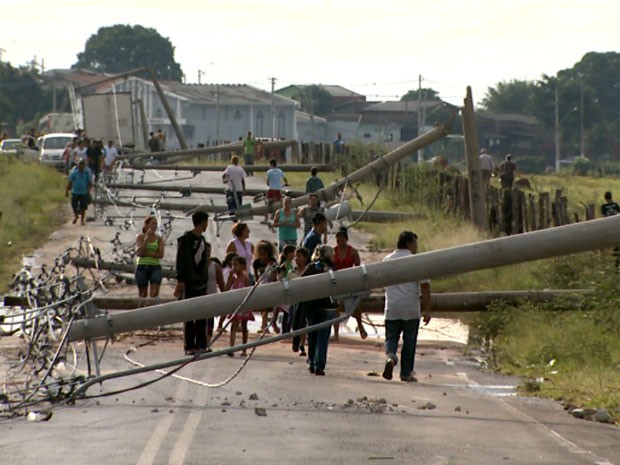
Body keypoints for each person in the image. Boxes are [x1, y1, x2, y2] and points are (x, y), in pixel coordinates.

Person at [382, 231, 431, 383]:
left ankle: (390, 356)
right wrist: (427, 309)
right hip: (410, 307)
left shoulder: (387, 260)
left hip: (392, 306)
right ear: (409, 244)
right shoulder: (417, 261)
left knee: (391, 337)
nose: (417, 247)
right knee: (409, 342)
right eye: (415, 244)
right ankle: (406, 373)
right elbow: (425, 287)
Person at [174, 211, 210, 356]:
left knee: (202, 314)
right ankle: (189, 345)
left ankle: (201, 344)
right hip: (189, 282)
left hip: (201, 282)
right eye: (206, 222)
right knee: (188, 315)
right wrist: (180, 280)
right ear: (201, 222)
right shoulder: (186, 239)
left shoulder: (202, 240)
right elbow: (181, 261)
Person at [302, 245, 338, 376]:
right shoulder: (333, 269)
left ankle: (311, 362)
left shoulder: (311, 268)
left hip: (312, 306)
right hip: (328, 307)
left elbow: (301, 283)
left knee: (312, 335)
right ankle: (319, 365)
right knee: (323, 337)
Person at [332, 227, 366, 341]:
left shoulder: (352, 252)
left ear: (346, 240)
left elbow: (358, 267)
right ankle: (336, 333)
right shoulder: (333, 251)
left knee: (354, 306)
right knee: (335, 308)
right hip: (337, 282)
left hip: (349, 281)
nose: (340, 243)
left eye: (342, 240)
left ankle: (360, 326)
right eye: (338, 241)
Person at [226, 255, 252, 357]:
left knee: (244, 327)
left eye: (236, 265)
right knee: (233, 325)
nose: (234, 267)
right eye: (232, 265)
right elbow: (227, 288)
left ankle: (244, 349)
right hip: (235, 303)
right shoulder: (233, 277)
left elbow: (248, 290)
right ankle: (231, 347)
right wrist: (229, 279)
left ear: (242, 266)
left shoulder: (245, 278)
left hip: (244, 304)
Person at [135, 215, 165, 299]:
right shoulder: (140, 237)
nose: (154, 226)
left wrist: (146, 253)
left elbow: (160, 254)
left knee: (154, 294)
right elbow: (140, 252)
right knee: (142, 295)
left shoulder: (159, 239)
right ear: (146, 225)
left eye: (156, 224)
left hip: (155, 267)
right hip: (142, 266)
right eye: (153, 223)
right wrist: (147, 238)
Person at [253, 240, 279, 333]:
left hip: (271, 284)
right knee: (264, 308)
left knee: (274, 307)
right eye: (260, 254)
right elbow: (256, 276)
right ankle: (263, 325)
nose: (262, 256)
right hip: (262, 284)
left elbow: (276, 274)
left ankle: (273, 323)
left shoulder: (272, 262)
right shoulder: (256, 263)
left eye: (264, 254)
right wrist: (257, 284)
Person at [289, 247, 310, 356]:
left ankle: (302, 345)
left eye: (299, 256)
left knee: (304, 324)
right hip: (295, 302)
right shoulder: (292, 272)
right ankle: (296, 342)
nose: (296, 259)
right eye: (296, 256)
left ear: (305, 258)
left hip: (306, 301)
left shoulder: (309, 272)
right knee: (295, 323)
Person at [205, 243, 226, 347]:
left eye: (208, 251)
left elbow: (221, 283)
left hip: (212, 296)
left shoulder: (215, 266)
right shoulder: (196, 265)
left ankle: (207, 343)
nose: (206, 253)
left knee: (209, 321)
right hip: (199, 296)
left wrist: (225, 295)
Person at [65, 158, 93, 225]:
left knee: (83, 207)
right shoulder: (74, 173)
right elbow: (70, 182)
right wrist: (66, 191)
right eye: (80, 164)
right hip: (75, 192)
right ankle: (76, 216)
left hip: (84, 192)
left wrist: (89, 191)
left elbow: (89, 182)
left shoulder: (86, 173)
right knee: (74, 205)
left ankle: (82, 220)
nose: (81, 166)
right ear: (77, 165)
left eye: (83, 164)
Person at [265, 158, 288, 222]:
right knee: (279, 203)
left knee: (267, 203)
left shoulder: (269, 172)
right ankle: (278, 216)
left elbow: (267, 182)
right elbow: (285, 179)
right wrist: (286, 184)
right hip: (278, 189)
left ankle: (266, 218)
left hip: (271, 189)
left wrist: (269, 184)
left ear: (271, 164)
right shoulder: (280, 171)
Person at [601, 191, 620, 268]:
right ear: (611, 197)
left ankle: (616, 263)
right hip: (616, 225)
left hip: (609, 227)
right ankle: (617, 262)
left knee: (614, 245)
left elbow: (604, 216)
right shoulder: (615, 205)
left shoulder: (604, 206)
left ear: (605, 198)